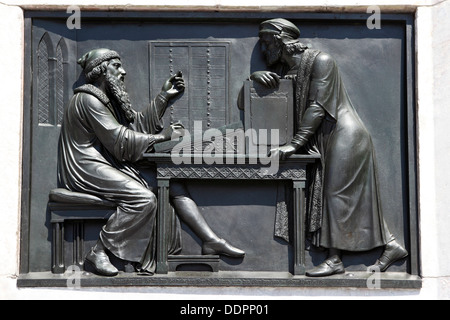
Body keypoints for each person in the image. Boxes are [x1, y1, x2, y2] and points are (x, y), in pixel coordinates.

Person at [57, 48, 244, 276]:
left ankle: (210, 240)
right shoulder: (88, 100)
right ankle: (98, 251)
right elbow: (120, 140)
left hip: (104, 162)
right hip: (85, 166)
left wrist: (163, 97)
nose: (123, 71)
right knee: (144, 199)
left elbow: (133, 126)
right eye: (117, 66)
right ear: (102, 71)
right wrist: (163, 137)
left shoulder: (106, 101)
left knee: (173, 184)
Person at [251, 19, 408, 277]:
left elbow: (317, 107)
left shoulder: (321, 61)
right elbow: (265, 102)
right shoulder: (290, 71)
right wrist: (254, 78)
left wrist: (294, 145)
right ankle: (391, 245)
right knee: (343, 198)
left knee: (335, 196)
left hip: (345, 137)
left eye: (267, 43)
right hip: (325, 139)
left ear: (281, 40)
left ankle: (335, 259)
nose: (263, 50)